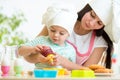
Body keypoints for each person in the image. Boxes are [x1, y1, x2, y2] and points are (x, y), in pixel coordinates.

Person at [24, 0, 120, 70]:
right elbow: (28, 54)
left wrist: (63, 61)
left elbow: (87, 71)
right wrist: (38, 58)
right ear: (87, 9)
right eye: (92, 15)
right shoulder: (60, 20)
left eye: (99, 23)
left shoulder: (99, 41)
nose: (91, 23)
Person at [18, 4, 78, 69]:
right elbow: (19, 51)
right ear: (48, 29)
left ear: (68, 34)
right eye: (52, 30)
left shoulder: (70, 50)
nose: (56, 35)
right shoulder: (40, 41)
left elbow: (72, 69)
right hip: (40, 77)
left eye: (61, 33)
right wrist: (31, 49)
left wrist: (62, 62)